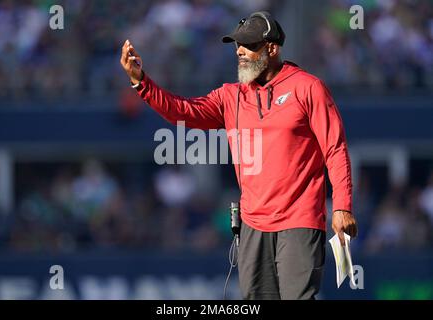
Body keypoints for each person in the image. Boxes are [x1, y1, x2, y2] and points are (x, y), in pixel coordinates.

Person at [120, 11, 358, 300]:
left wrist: (342, 206)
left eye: (248, 44)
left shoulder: (307, 88)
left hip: (299, 220)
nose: (240, 51)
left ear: (272, 48)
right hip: (252, 224)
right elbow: (183, 111)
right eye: (237, 45)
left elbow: (335, 148)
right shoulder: (230, 96)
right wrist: (141, 82)